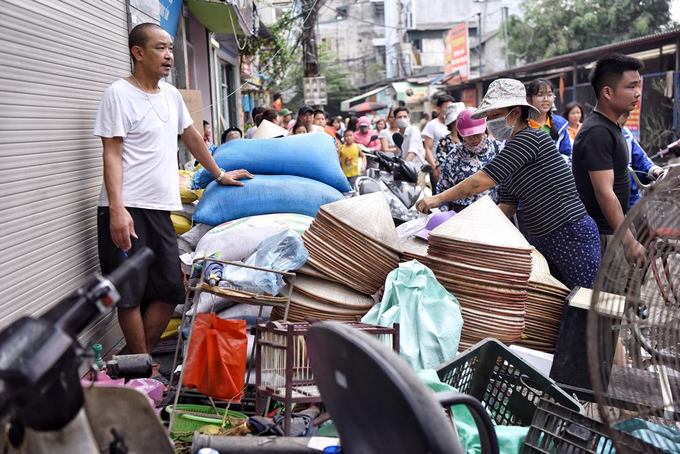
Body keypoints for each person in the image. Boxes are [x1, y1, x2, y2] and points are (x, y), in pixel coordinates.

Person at [94, 23, 252, 356]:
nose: (169, 56)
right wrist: (117, 209)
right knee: (130, 293)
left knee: (170, 289)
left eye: (170, 48)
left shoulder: (171, 95)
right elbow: (111, 152)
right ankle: (141, 366)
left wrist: (218, 173)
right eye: (160, 48)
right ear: (138, 53)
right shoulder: (118, 94)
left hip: (159, 208)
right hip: (127, 207)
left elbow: (192, 137)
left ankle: (138, 359)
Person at [416, 78, 600, 289]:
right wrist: (466, 232)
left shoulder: (530, 139)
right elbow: (506, 207)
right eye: (490, 117)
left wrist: (437, 199)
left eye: (496, 116)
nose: (492, 122)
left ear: (516, 113)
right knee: (559, 305)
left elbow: (481, 181)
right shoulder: (509, 150)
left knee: (586, 302)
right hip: (544, 239)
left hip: (569, 232)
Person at [572, 54, 646, 264]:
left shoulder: (610, 127)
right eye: (631, 87)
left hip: (614, 230)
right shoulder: (597, 132)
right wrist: (630, 242)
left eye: (639, 85)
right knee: (612, 295)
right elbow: (605, 193)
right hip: (604, 236)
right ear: (607, 92)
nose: (638, 93)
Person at [435, 108, 503, 210]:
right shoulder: (453, 157)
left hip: (493, 210)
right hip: (461, 212)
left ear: (484, 130)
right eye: (469, 135)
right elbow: (443, 188)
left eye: (477, 134)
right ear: (461, 134)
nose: (474, 139)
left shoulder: (498, 150)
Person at [618, 111, 662, 207]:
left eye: (626, 116)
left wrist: (653, 169)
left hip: (632, 197)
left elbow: (640, 158)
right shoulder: (600, 133)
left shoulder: (626, 133)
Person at [526, 79, 572, 163]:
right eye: (540, 95)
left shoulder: (560, 125)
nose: (546, 99)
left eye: (549, 94)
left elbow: (567, 154)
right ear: (529, 99)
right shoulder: (521, 126)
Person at [422, 95, 457, 179]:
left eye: (451, 107)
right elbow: (428, 148)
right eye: (446, 107)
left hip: (455, 168)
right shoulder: (432, 125)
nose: (449, 110)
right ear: (438, 108)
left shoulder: (456, 124)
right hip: (439, 167)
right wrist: (435, 168)